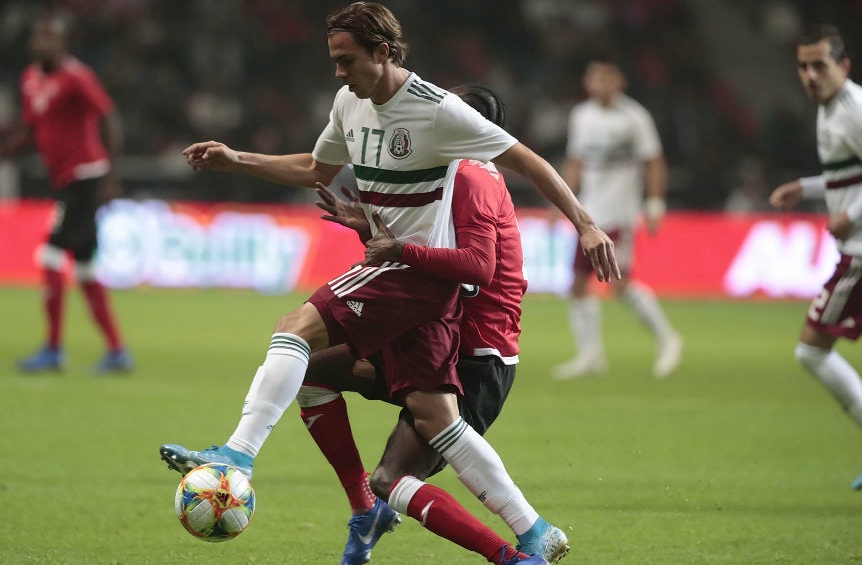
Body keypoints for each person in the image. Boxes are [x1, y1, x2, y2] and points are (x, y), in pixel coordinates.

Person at [160, 4, 618, 563]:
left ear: (383, 52)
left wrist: (587, 223)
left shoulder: (442, 118)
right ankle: (527, 536)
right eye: (332, 60)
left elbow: (526, 160)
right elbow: (314, 169)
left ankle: (238, 455)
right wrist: (237, 160)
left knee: (296, 330)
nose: (337, 72)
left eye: (345, 60)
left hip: (418, 282)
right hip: (423, 292)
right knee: (432, 421)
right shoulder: (349, 103)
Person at [296, 84, 569, 564]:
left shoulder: (470, 177)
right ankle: (367, 509)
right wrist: (371, 229)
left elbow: (474, 267)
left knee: (392, 479)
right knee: (310, 368)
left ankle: (518, 548)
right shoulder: (452, 174)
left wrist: (398, 249)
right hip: (432, 337)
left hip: (474, 356)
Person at [0, 14, 133, 375]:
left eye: (52, 39)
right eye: (40, 38)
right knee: (83, 267)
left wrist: (110, 177)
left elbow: (109, 118)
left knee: (50, 255)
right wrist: (0, 157)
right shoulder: (31, 79)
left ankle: (53, 349)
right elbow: (33, 132)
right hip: (65, 179)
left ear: (64, 44)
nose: (44, 44)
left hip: (86, 175)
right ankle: (117, 351)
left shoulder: (77, 76)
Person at [768, 24, 862, 491]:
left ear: (843, 66)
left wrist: (853, 217)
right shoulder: (830, 111)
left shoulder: (854, 110)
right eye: (803, 66)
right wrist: (805, 189)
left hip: (860, 254)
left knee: (811, 349)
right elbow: (850, 177)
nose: (810, 75)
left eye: (819, 65)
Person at [552, 59, 683, 380]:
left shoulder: (634, 117)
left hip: (620, 213)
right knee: (579, 283)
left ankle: (668, 338)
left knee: (620, 284)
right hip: (589, 212)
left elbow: (654, 161)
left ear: (619, 81)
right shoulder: (581, 115)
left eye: (605, 78)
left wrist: (654, 202)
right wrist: (562, 201)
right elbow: (575, 161)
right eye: (594, 78)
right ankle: (590, 355)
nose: (599, 85)